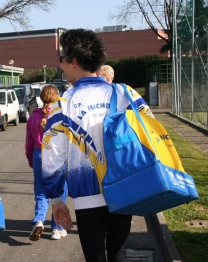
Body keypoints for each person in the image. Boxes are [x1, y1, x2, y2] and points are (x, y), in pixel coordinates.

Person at [41, 29, 152, 262]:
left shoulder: (63, 104)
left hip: (86, 195)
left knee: (95, 257)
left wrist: (56, 201)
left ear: (74, 61)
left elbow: (51, 160)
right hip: (124, 188)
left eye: (62, 59)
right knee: (119, 253)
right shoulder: (125, 93)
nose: (60, 65)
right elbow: (151, 132)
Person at [25, 85, 68, 241]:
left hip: (38, 154)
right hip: (57, 155)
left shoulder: (33, 117)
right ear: (56, 97)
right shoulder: (61, 116)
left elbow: (29, 142)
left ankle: (39, 220)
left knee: (41, 189)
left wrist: (31, 159)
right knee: (60, 189)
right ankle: (57, 228)